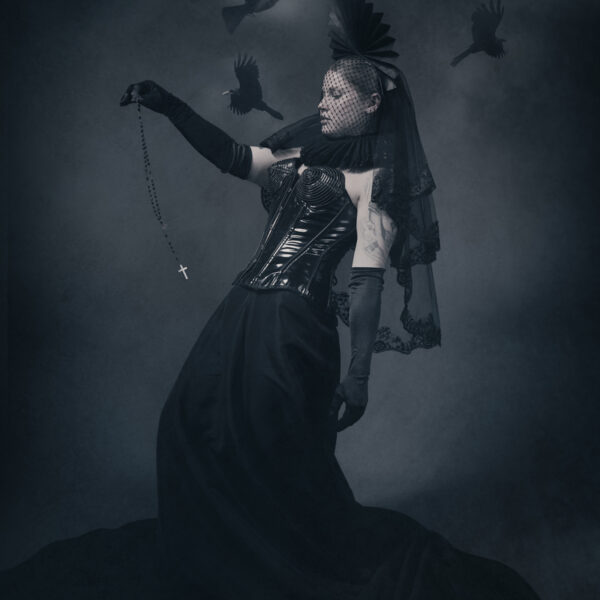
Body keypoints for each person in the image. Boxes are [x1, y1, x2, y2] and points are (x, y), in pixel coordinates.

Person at [114, 57, 540, 599]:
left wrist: (358, 375)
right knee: (186, 421)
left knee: (271, 450)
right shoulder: (300, 153)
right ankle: (218, 564)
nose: (321, 102)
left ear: (372, 104)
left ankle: (273, 571)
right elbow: (231, 155)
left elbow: (366, 283)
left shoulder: (377, 182)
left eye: (336, 94)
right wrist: (168, 104)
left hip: (293, 324)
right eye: (322, 91)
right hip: (240, 307)